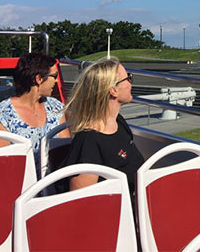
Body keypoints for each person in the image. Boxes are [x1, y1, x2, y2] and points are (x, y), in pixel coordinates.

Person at [62, 58, 144, 201]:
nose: (131, 82)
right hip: (117, 217)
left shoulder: (119, 122)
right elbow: (80, 201)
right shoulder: (88, 142)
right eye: (128, 78)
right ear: (113, 90)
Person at [0, 52, 69, 165]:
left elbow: (65, 151)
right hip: (20, 181)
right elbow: (0, 168)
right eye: (54, 76)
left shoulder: (55, 108)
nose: (56, 81)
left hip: (56, 179)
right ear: (39, 79)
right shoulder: (1, 119)